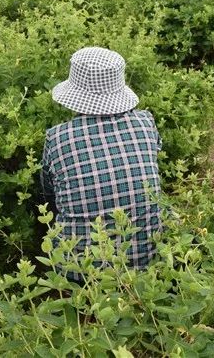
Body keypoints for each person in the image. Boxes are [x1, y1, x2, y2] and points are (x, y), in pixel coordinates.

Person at [40, 47, 163, 280]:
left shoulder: (57, 137)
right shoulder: (146, 122)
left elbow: (48, 194)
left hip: (81, 270)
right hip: (149, 260)